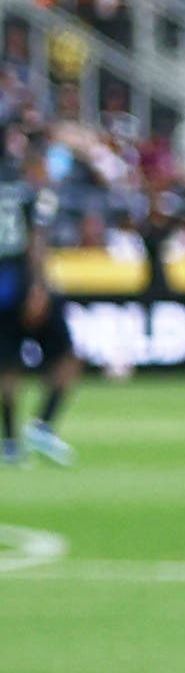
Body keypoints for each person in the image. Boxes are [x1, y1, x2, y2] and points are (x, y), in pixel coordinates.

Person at [0, 111, 65, 467]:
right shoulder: (23, 184)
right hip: (22, 278)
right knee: (67, 353)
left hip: (4, 283)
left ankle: (10, 441)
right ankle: (42, 424)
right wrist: (39, 285)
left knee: (7, 364)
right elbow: (36, 238)